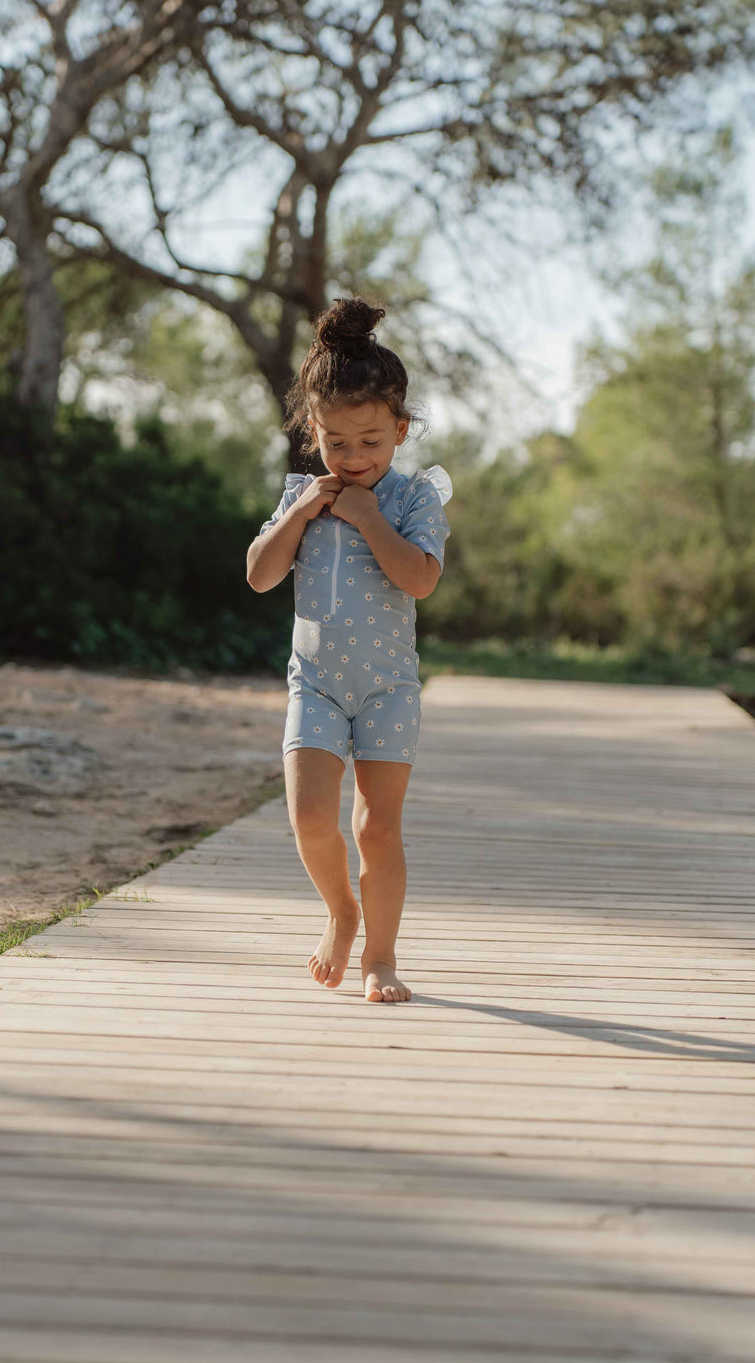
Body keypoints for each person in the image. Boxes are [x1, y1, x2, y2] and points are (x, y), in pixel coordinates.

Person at [246, 297, 453, 1004]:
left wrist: (368, 520)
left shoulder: (413, 500)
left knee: (378, 826)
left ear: (399, 430)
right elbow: (260, 575)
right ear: (314, 432)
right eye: (338, 442)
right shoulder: (303, 496)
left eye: (371, 440)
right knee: (309, 816)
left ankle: (382, 957)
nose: (354, 457)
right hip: (317, 684)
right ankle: (341, 910)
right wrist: (304, 513)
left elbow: (420, 579)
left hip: (388, 687)